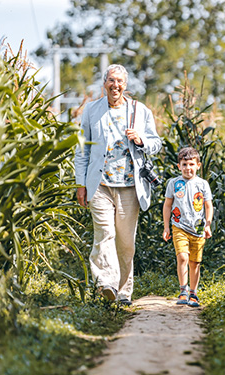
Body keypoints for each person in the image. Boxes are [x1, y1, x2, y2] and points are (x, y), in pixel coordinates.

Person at [75, 64, 162, 306]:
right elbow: (81, 150)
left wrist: (142, 139)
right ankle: (107, 283)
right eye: (111, 80)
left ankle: (124, 292)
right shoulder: (92, 110)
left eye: (120, 81)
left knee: (125, 241)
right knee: (105, 234)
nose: (116, 85)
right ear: (104, 83)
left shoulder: (140, 111)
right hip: (100, 184)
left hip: (129, 186)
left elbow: (157, 143)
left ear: (126, 85)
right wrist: (80, 184)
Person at [163, 147, 213, 307]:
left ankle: (193, 293)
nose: (188, 168)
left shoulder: (203, 184)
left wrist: (208, 224)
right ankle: (183, 290)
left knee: (195, 262)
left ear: (198, 165)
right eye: (184, 164)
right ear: (179, 166)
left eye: (191, 164)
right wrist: (166, 227)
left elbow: (208, 206)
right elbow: (167, 205)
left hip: (198, 229)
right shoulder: (173, 183)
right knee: (183, 257)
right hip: (179, 226)